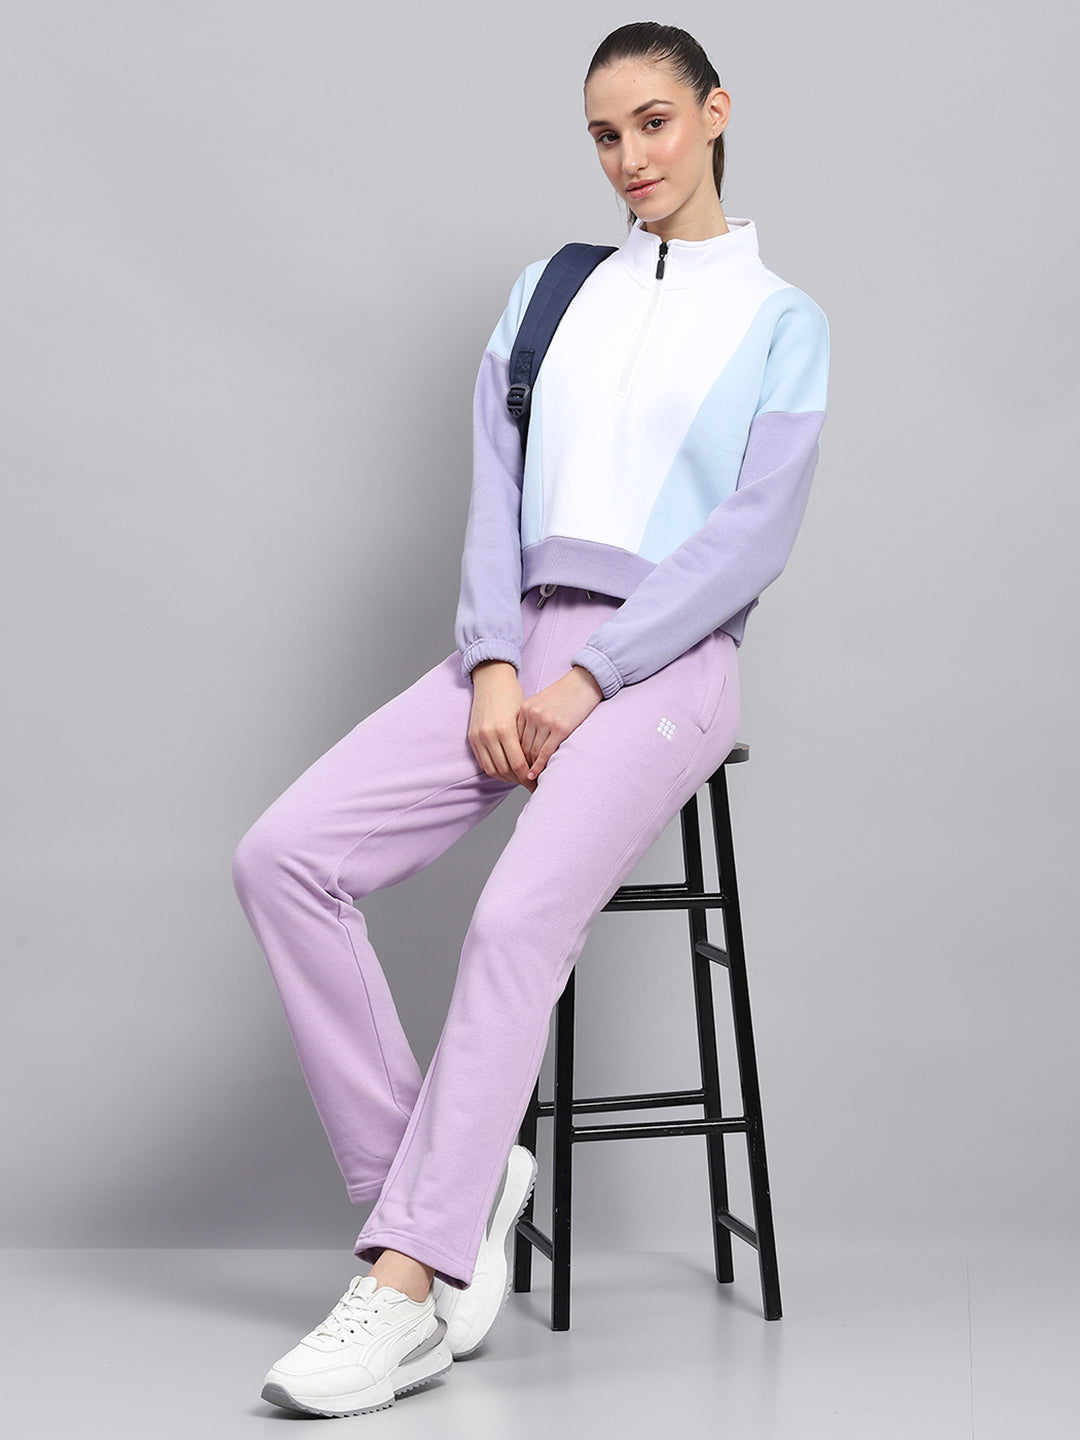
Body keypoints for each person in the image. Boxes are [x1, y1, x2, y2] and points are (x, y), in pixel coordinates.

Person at [232, 19, 830, 1419]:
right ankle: (446, 1185)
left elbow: (750, 537)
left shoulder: (781, 321)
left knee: (511, 923)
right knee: (284, 857)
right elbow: (496, 487)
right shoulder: (555, 291)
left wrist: (592, 675)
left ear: (716, 112)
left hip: (668, 667)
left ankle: (404, 1288)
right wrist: (496, 662)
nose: (631, 158)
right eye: (605, 135)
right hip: (517, 646)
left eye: (655, 123)